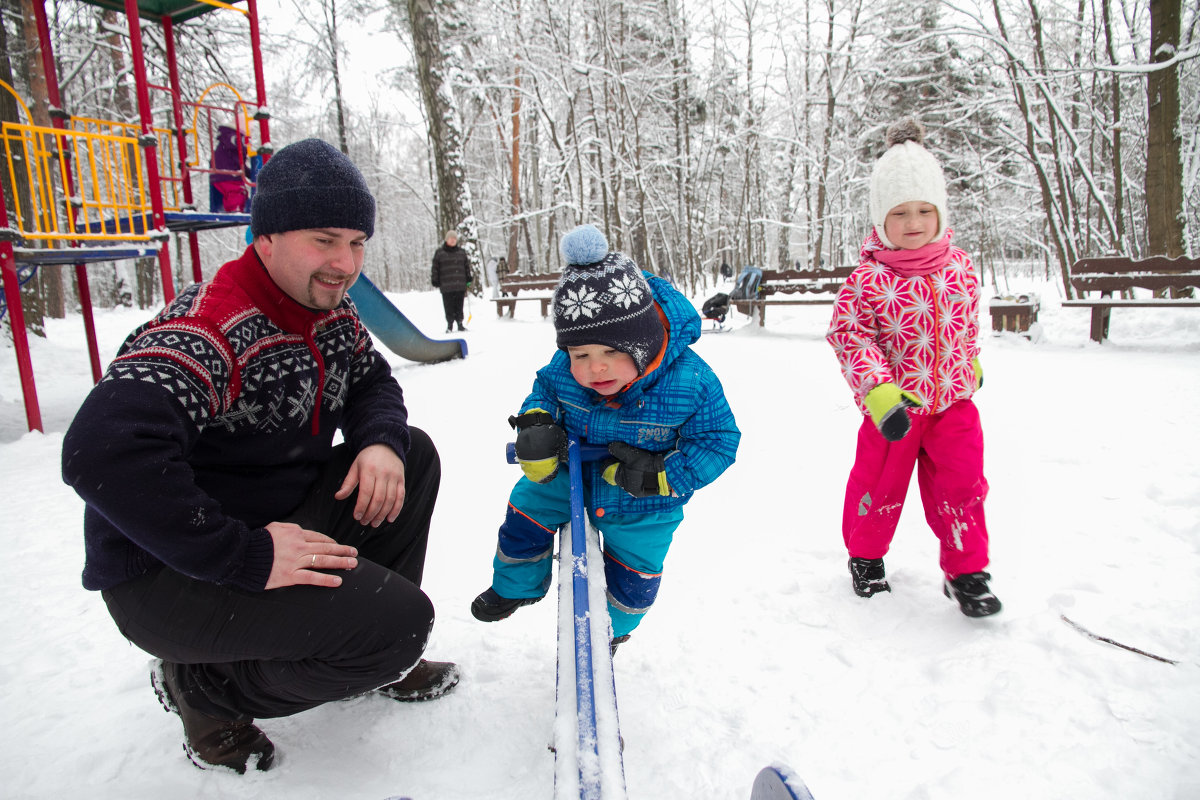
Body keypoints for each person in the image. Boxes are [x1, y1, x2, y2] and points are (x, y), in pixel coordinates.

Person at [61, 138, 460, 775]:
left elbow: (371, 380)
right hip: (170, 574)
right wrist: (244, 556)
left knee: (410, 457)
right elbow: (99, 453)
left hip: (276, 519)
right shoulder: (208, 329)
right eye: (324, 240)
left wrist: (379, 439)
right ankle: (203, 691)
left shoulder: (327, 311)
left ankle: (364, 643)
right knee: (398, 627)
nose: (345, 262)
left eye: (357, 242)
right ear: (266, 238)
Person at [469, 224, 740, 651]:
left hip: (644, 499)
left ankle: (609, 631)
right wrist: (537, 423)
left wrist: (662, 476)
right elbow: (545, 390)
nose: (595, 370)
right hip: (569, 472)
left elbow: (719, 440)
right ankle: (517, 583)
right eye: (581, 355)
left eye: (612, 353)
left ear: (644, 343)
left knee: (636, 579)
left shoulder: (691, 381)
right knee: (525, 510)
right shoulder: (565, 370)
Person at [826, 118, 1001, 617]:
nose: (914, 221)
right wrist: (878, 391)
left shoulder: (960, 265)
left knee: (963, 486)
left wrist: (970, 362)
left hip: (954, 405)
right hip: (896, 409)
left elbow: (967, 319)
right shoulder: (869, 279)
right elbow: (849, 335)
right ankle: (866, 556)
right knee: (878, 484)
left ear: (940, 212)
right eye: (900, 212)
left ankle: (967, 572)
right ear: (882, 219)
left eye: (925, 210)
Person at [431, 229, 471, 332]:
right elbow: (435, 267)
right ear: (446, 239)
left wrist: (468, 278)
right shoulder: (440, 253)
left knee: (459, 305)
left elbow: (466, 267)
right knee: (448, 306)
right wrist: (435, 279)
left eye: (454, 239)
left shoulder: (461, 253)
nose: (453, 240)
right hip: (446, 285)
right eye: (450, 238)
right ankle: (450, 325)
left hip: (460, 284)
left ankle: (460, 323)